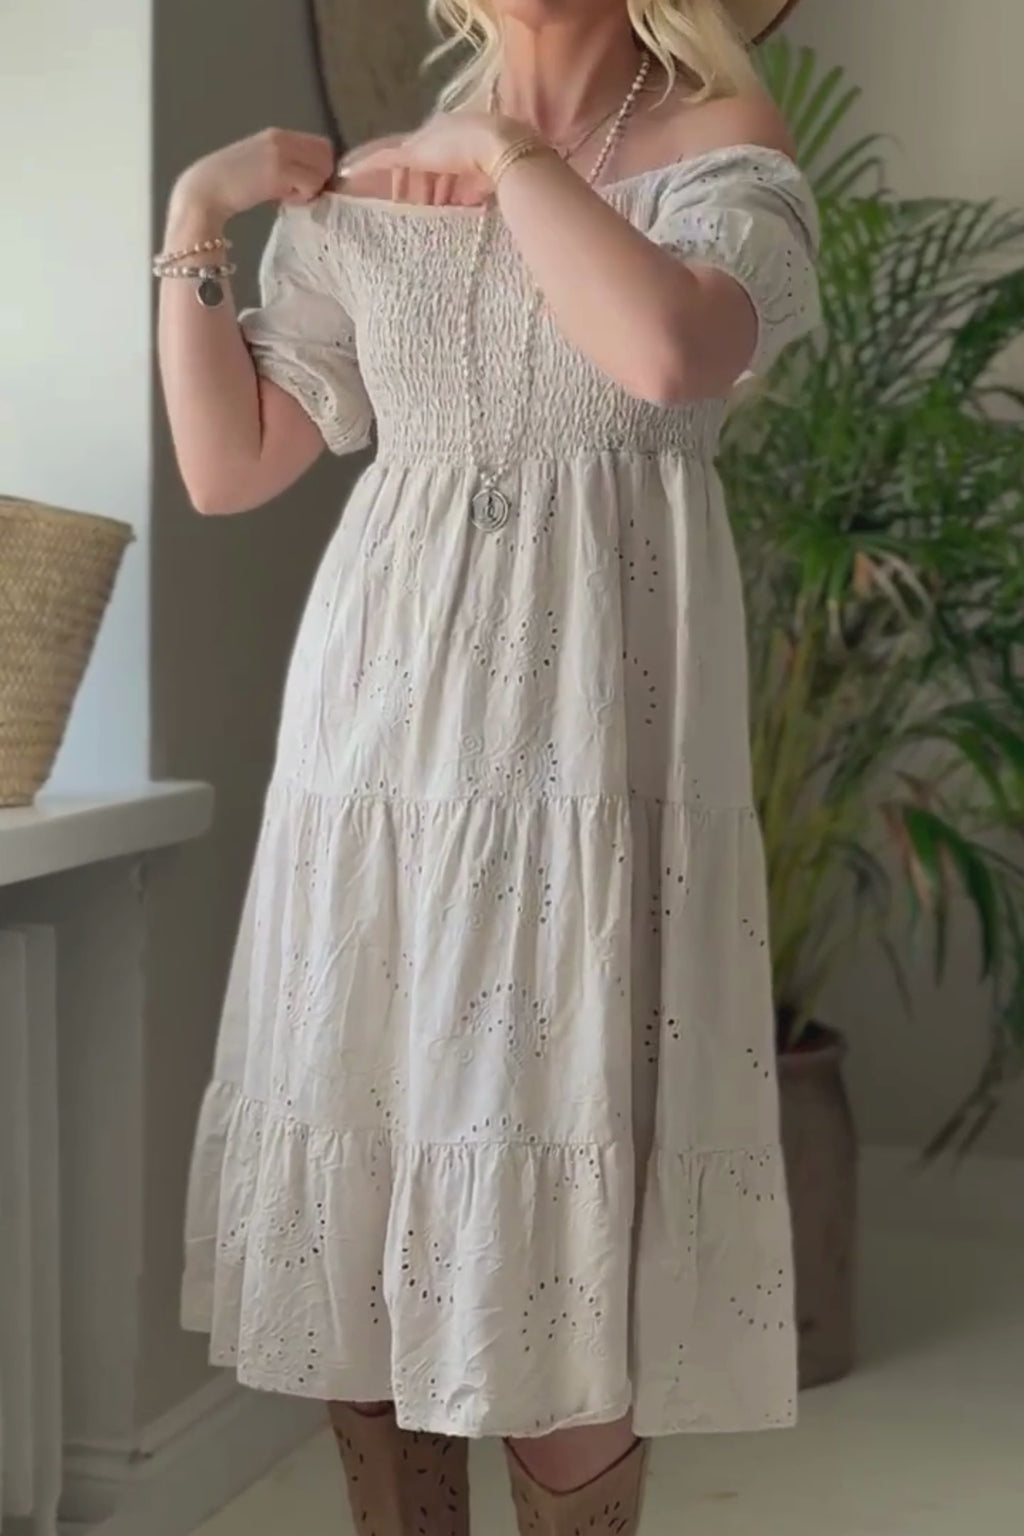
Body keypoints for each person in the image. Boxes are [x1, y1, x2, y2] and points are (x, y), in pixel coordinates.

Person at [158, 1, 820, 1531]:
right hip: (382, 739)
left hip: (595, 742)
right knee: (372, 1144)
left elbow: (668, 353)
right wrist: (197, 216)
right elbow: (229, 463)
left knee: (558, 1179)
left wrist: (511, 157)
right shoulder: (374, 180)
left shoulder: (721, 150)